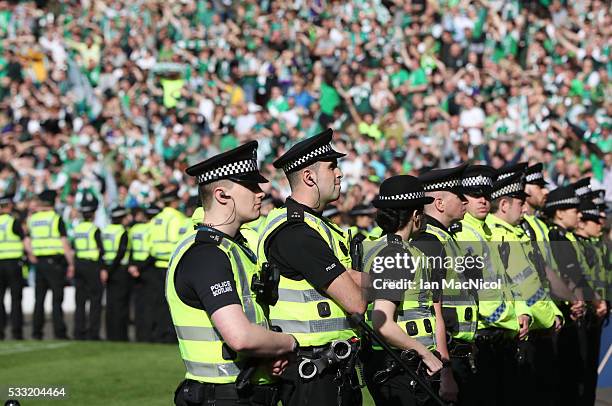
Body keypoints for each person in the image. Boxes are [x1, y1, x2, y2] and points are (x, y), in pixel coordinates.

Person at [168, 141, 298, 406]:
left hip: (242, 392)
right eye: (250, 185)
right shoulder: (207, 255)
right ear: (221, 195)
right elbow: (240, 336)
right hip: (225, 396)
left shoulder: (233, 248)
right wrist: (289, 343)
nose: (260, 192)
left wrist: (267, 355)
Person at [257, 128, 366, 406]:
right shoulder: (296, 232)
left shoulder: (315, 225)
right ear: (309, 177)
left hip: (330, 367)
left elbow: (350, 277)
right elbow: (354, 301)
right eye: (332, 167)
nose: (339, 173)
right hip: (312, 372)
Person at [362, 175, 443, 406]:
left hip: (397, 364)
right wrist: (425, 354)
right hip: (401, 367)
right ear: (416, 216)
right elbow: (383, 322)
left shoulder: (378, 247)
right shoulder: (396, 255)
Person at [486, 171, 562, 406]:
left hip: (524, 325)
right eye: (520, 203)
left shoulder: (514, 231)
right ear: (505, 204)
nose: (525, 208)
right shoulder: (501, 235)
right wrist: (552, 317)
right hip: (516, 329)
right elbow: (525, 284)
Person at [411, 164, 472, 404]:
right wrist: (445, 368)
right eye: (460, 196)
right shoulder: (429, 241)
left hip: (458, 352)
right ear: (440, 203)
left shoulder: (445, 237)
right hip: (445, 357)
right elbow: (431, 306)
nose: (466, 201)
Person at [452, 164, 509, 406]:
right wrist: (512, 319)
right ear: (463, 198)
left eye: (486, 194)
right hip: (483, 331)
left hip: (498, 328)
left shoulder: (485, 230)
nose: (483, 200)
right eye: (475, 194)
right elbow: (482, 290)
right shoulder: (463, 232)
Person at [544, 184, 592, 406]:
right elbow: (564, 274)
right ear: (560, 212)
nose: (579, 214)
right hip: (564, 310)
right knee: (567, 381)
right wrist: (577, 300)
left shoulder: (566, 235)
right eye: (574, 209)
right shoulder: (555, 235)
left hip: (574, 308)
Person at [573, 198, 608, 406]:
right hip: (582, 312)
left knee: (589, 373)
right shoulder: (574, 242)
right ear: (583, 222)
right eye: (594, 220)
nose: (599, 224)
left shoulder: (593, 245)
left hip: (595, 312)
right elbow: (579, 278)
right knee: (579, 373)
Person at [27, 189, 75, 340]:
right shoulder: (56, 218)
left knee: (39, 300)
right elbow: (64, 243)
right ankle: (59, 332)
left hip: (39, 263)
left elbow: (27, 240)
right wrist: (71, 263)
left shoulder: (32, 219)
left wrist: (32, 254)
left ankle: (36, 332)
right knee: (56, 300)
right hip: (55, 263)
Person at [149, 189, 186, 343]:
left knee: (158, 301)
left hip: (156, 264)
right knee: (172, 301)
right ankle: (170, 334)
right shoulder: (180, 218)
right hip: (171, 266)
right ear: (174, 202)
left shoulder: (155, 219)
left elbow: (150, 243)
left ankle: (158, 333)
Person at [0, 194, 33, 340]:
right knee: (15, 299)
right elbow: (25, 241)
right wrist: (32, 255)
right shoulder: (13, 222)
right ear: (9, 206)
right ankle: (16, 332)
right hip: (13, 263)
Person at [72, 197, 105, 340]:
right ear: (93, 214)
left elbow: (74, 248)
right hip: (92, 265)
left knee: (80, 301)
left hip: (79, 264)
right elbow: (101, 250)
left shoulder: (77, 229)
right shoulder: (94, 229)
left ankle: (79, 331)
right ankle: (93, 332)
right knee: (95, 300)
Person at [128, 205, 159, 342]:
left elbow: (129, 249)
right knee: (150, 304)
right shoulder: (152, 229)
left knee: (138, 304)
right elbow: (153, 252)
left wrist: (132, 266)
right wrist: (140, 268)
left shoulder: (133, 229)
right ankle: (149, 335)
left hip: (135, 268)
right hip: (148, 268)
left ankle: (139, 335)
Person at [102, 206, 131, 341]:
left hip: (107, 269)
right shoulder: (122, 232)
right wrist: (110, 271)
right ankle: (120, 335)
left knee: (111, 305)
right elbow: (120, 254)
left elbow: (101, 252)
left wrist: (105, 270)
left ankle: (110, 334)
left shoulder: (105, 230)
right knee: (121, 305)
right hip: (119, 271)